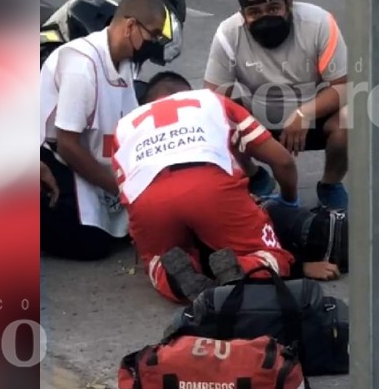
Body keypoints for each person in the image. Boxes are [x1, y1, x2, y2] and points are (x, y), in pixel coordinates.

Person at [113, 72, 298, 304]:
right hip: (209, 188)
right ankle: (242, 268)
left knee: (157, 259)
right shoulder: (211, 101)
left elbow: (126, 192)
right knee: (273, 256)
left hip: (149, 200)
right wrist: (290, 202)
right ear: (189, 91)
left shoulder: (124, 127)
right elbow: (282, 161)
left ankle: (170, 278)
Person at [39, 0, 170, 261]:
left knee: (128, 228)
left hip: (86, 154)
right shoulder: (82, 65)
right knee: (90, 244)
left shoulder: (122, 65)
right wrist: (120, 190)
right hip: (50, 155)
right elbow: (67, 145)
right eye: (153, 34)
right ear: (131, 26)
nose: (155, 43)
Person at [204, 0, 350, 211]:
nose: (265, 17)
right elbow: (214, 98)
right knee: (219, 118)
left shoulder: (319, 23)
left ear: (289, 5)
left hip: (313, 113)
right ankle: (255, 176)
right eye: (255, 13)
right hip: (258, 118)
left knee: (351, 117)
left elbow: (343, 86)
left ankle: (330, 185)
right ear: (243, 16)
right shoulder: (228, 34)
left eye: (273, 8)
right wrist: (245, 127)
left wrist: (305, 114)